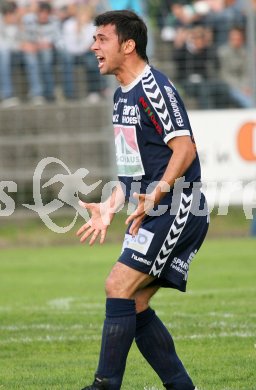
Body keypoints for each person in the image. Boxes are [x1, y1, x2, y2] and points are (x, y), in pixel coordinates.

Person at [77, 10, 209, 390]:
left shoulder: (155, 88)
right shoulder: (121, 97)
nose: (94, 47)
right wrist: (109, 205)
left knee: (117, 284)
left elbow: (184, 149)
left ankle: (105, 385)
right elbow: (132, 175)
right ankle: (182, 387)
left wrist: (159, 191)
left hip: (179, 205)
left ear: (128, 45)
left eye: (102, 39)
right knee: (132, 303)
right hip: (155, 208)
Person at [218, 26, 253, 108]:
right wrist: (241, 88)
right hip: (230, 86)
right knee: (249, 102)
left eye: (238, 38)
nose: (236, 40)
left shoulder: (245, 52)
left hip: (246, 86)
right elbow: (225, 75)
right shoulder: (223, 52)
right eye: (233, 38)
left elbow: (247, 72)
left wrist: (246, 86)